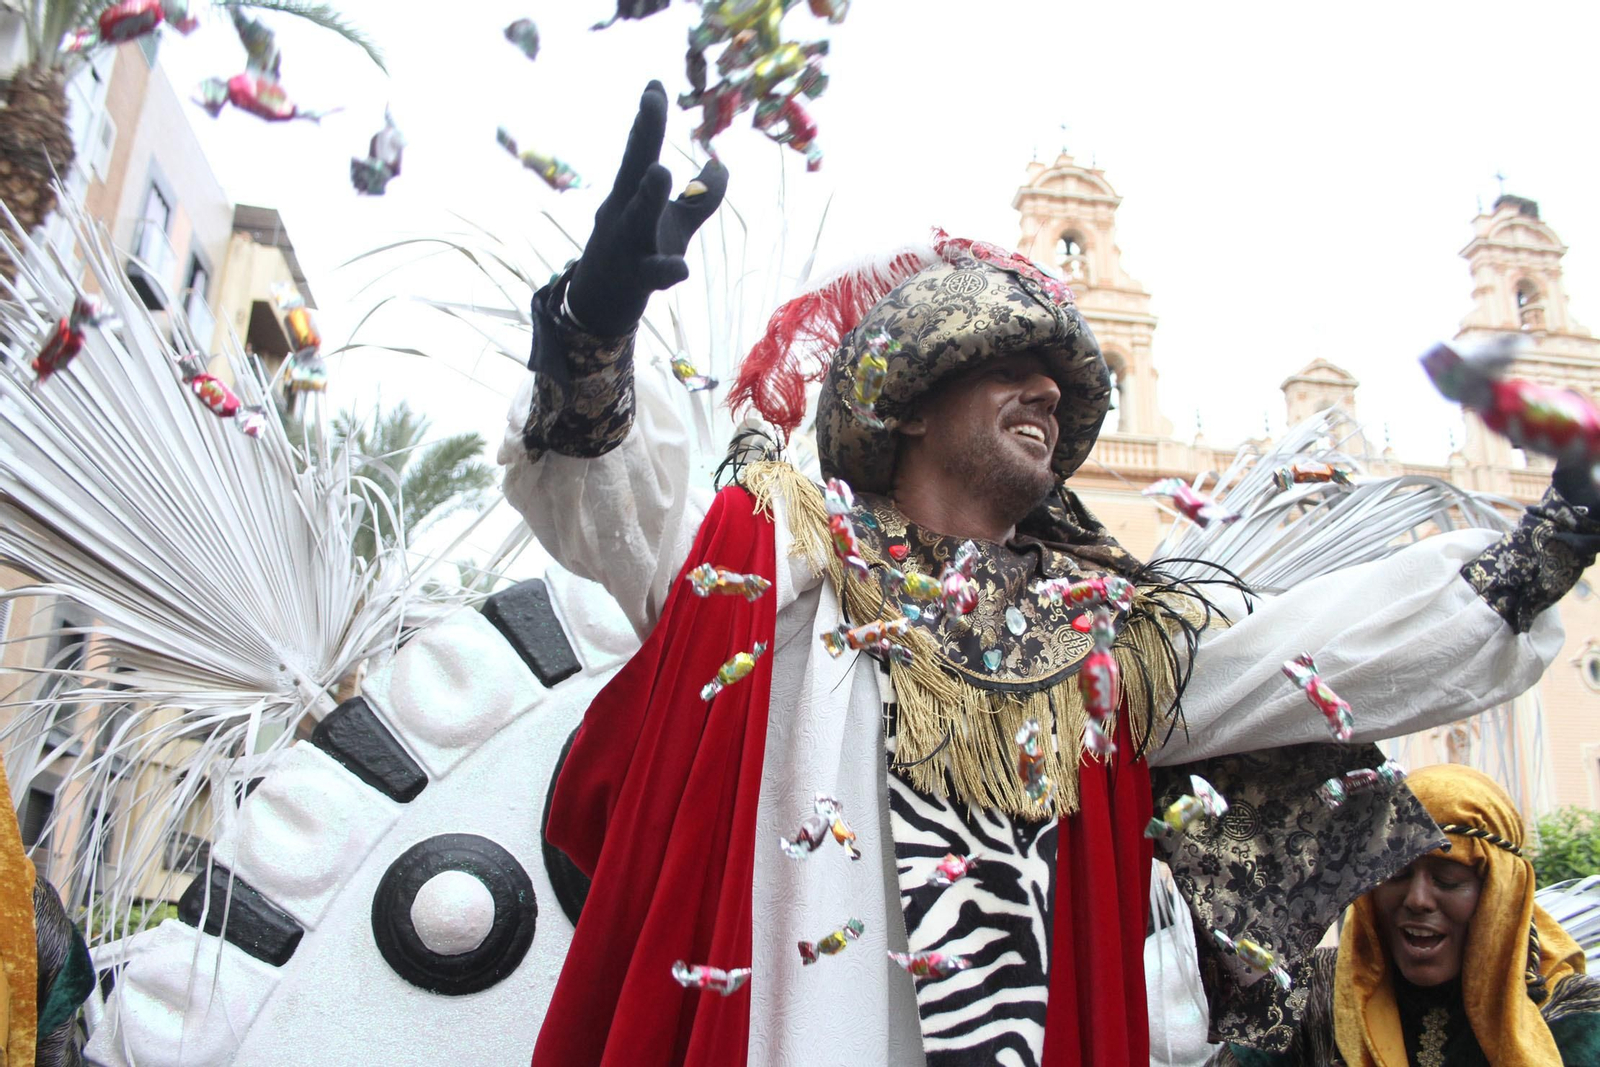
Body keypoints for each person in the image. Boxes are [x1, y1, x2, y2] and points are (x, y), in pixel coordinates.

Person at [499, 81, 1600, 1067]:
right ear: (909, 402)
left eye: (1061, 386)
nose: (1046, 395)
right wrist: (590, 336)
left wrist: (1539, 549)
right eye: (1007, 369)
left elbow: (1309, 652)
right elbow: (614, 514)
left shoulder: (1101, 643)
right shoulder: (781, 557)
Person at [1214, 764, 1600, 1066]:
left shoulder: (1569, 1017)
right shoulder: (1307, 994)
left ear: (1500, 898)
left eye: (1447, 880)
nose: (1418, 899)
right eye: (1396, 875)